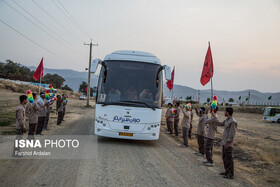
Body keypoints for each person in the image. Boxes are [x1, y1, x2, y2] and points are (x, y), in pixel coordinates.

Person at [218, 107, 238, 179]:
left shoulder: (233, 122)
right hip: (224, 142)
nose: (224, 112)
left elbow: (232, 134)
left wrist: (228, 143)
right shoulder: (227, 120)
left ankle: (231, 174)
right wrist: (214, 117)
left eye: (225, 111)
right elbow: (220, 123)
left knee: (229, 158)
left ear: (228, 112)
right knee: (224, 157)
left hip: (228, 144)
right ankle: (227, 171)